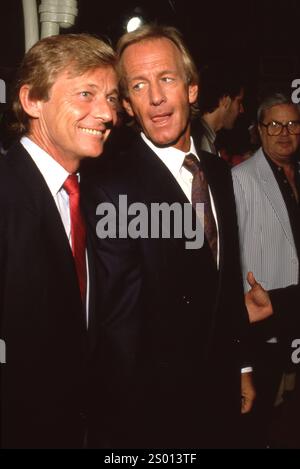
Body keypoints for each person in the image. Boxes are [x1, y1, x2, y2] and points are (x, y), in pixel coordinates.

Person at [84, 24, 255, 448]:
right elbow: (120, 330)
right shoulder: (112, 188)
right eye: (139, 86)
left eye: (167, 79)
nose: (156, 98)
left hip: (220, 397)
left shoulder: (217, 174)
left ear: (192, 89)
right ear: (126, 103)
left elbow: (225, 282)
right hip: (157, 419)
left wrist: (242, 367)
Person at [0, 33, 119, 448]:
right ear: (32, 101)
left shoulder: (92, 195)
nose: (106, 113)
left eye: (112, 97)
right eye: (87, 94)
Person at [232, 93, 300, 446]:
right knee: (258, 423)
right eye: (274, 124)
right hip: (265, 323)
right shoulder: (240, 178)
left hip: (295, 315)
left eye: (292, 124)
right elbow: (232, 256)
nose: (284, 132)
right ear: (259, 130)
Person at [195, 62, 245, 155]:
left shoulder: (206, 138)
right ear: (226, 100)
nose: (242, 110)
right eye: (239, 102)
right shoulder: (202, 144)